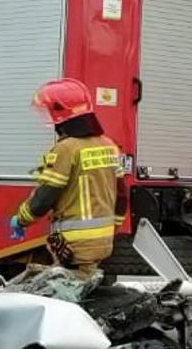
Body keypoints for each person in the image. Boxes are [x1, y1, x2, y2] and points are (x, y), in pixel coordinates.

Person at [8, 78, 129, 275]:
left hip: (74, 244)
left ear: (60, 114)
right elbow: (122, 194)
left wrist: (21, 220)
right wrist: (114, 226)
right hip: (105, 241)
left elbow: (46, 196)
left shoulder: (66, 149)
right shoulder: (108, 145)